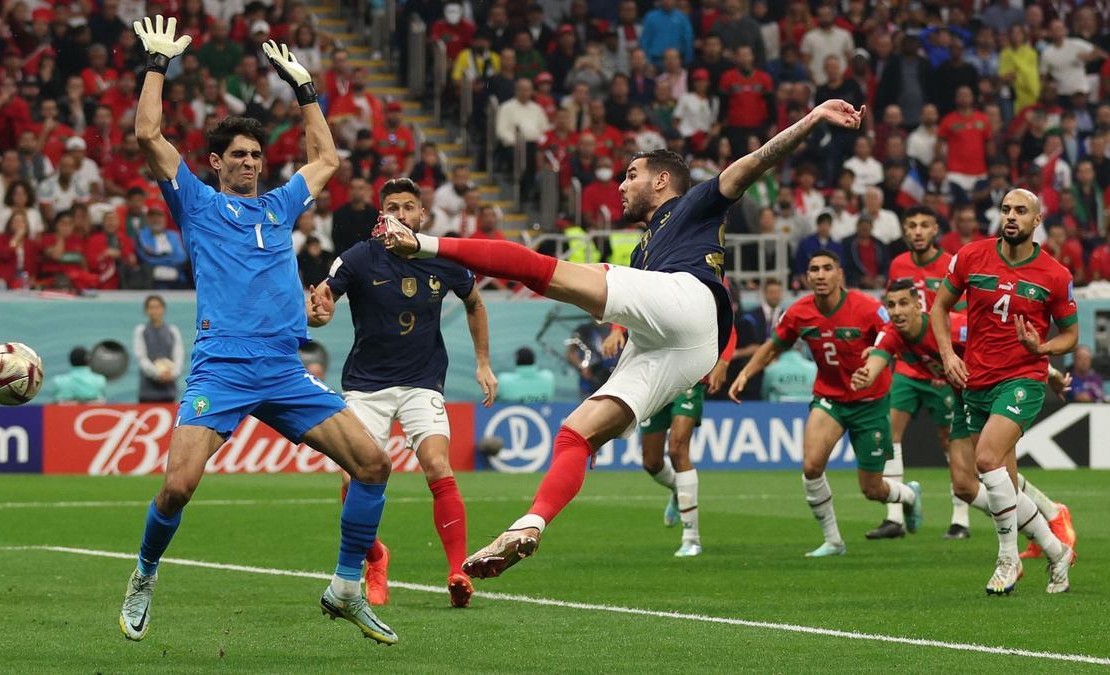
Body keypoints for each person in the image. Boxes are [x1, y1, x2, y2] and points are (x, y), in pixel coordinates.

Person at [381, 99, 866, 578]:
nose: (621, 184)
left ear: (661, 180)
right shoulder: (642, 251)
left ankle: (425, 244)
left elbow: (753, 163)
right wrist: (620, 329)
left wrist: (813, 117)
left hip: (689, 304)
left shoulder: (694, 202)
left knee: (543, 269)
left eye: (631, 174)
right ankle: (529, 524)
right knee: (576, 432)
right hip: (684, 347)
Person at [120, 19, 398, 645]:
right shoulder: (194, 200)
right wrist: (157, 65)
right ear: (216, 163)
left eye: (255, 155)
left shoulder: (280, 204)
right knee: (177, 487)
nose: (249, 162)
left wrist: (304, 89)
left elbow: (325, 157)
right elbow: (147, 133)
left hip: (283, 367)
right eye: (238, 155)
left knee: (373, 464)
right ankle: (144, 571)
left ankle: (346, 588)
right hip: (221, 365)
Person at [310, 177, 497, 610]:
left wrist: (483, 362)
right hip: (365, 387)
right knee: (351, 477)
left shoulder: (442, 255)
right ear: (382, 215)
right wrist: (317, 314)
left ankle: (457, 572)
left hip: (421, 382)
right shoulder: (358, 258)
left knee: (437, 465)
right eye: (392, 206)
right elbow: (324, 305)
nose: (401, 213)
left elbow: (475, 302)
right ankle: (375, 557)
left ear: (421, 214)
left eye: (409, 206)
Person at [854, 280, 1076, 577]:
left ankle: (1045, 523)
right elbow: (876, 362)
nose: (897, 311)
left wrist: (1053, 374)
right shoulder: (893, 335)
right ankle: (1042, 522)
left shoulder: (954, 326)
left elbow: (1009, 346)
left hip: (997, 393)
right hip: (964, 399)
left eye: (904, 303)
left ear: (919, 306)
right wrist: (864, 375)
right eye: (891, 305)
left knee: (998, 473)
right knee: (965, 485)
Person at [930, 189, 1077, 595]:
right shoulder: (971, 257)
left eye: (1021, 211)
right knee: (1003, 485)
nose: (1011, 216)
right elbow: (939, 308)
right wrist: (948, 355)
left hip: (1022, 379)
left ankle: (1008, 560)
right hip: (975, 379)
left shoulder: (1054, 275)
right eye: (1006, 209)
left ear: (1037, 220)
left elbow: (1071, 335)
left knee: (986, 458)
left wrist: (1042, 350)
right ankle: (1057, 550)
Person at [729, 250, 922, 556]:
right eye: (813, 269)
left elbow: (891, 339)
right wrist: (745, 373)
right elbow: (772, 347)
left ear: (839, 274)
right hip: (829, 398)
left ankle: (908, 496)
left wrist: (873, 364)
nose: (820, 274)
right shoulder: (799, 312)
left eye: (826, 268)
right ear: (807, 277)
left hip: (870, 403)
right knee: (811, 466)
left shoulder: (868, 308)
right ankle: (833, 540)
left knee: (872, 489)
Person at [603, 326, 735, 557]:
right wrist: (616, 329)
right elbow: (633, 301)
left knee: (677, 449)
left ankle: (691, 539)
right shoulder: (654, 288)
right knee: (651, 462)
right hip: (654, 377)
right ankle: (677, 489)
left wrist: (723, 361)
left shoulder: (703, 289)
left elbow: (727, 324)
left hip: (689, 376)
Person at [876, 206, 966, 540]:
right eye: (911, 225)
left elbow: (962, 314)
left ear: (935, 230)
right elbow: (893, 309)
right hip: (909, 365)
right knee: (889, 432)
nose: (917, 231)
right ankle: (895, 515)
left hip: (942, 365)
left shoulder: (950, 264)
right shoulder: (898, 264)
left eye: (924, 226)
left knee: (950, 440)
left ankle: (960, 518)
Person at [134, 295, 184, 403]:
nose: (155, 311)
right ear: (146, 311)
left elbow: (179, 356)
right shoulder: (140, 331)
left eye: (157, 307)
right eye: (151, 307)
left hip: (169, 390)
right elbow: (141, 357)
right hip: (147, 391)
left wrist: (173, 373)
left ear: (163, 309)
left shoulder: (173, 331)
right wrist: (157, 374)